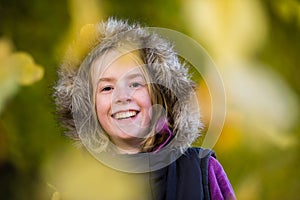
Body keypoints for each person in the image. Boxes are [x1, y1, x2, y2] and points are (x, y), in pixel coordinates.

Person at [54, 18, 236, 200]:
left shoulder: (201, 170)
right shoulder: (75, 185)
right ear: (88, 105)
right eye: (107, 88)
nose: (122, 96)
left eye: (135, 84)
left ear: (158, 93)